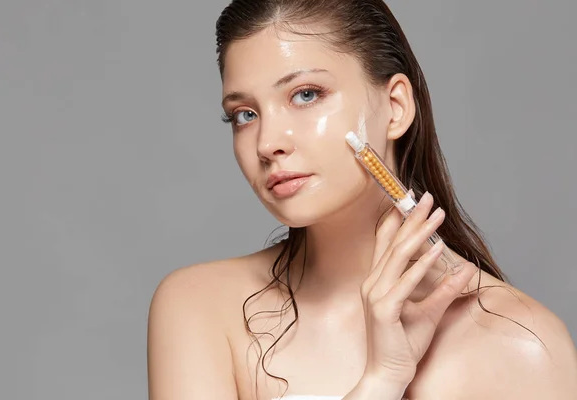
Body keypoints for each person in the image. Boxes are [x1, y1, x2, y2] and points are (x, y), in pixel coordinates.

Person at [147, 1, 577, 399]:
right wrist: (382, 380)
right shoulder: (199, 308)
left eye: (306, 94)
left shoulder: (520, 343)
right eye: (246, 114)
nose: (268, 143)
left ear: (395, 107)